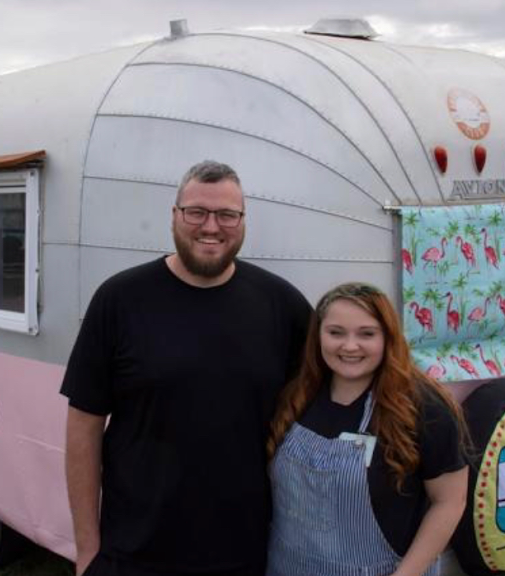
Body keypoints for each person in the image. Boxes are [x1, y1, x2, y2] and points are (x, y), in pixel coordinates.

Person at [62, 160, 312, 576]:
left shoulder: (280, 304)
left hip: (246, 552)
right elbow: (83, 426)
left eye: (226, 215)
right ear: (175, 216)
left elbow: (334, 383)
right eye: (196, 212)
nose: (211, 227)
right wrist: (87, 548)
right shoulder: (120, 300)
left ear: (243, 220)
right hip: (135, 551)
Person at [266, 283, 468, 576]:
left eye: (366, 334)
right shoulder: (298, 395)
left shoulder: (424, 408)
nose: (349, 346)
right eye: (335, 332)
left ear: (388, 337)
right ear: (318, 335)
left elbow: (449, 502)